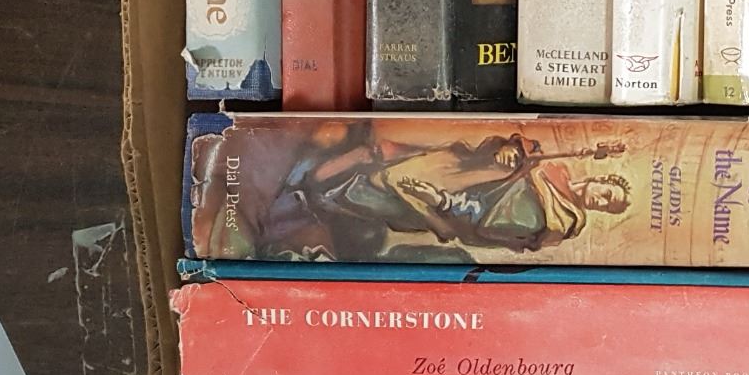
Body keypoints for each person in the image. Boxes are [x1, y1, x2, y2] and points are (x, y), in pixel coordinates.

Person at [261, 127, 629, 260]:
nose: (601, 199)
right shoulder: (557, 171)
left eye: (607, 206)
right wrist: (509, 148)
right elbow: (523, 149)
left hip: (441, 201)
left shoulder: (553, 220)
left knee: (374, 190)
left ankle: (309, 194)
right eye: (607, 192)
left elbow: (484, 218)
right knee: (380, 158)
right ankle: (307, 179)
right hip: (457, 168)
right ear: (601, 180)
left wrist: (441, 202)